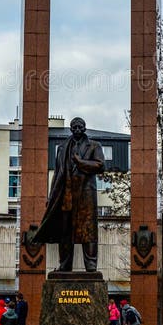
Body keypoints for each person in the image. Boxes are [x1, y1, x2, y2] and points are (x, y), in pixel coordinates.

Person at [32, 117, 105, 272]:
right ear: (71, 129)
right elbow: (58, 173)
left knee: (88, 231)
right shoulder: (63, 147)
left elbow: (100, 165)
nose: (77, 130)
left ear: (84, 128)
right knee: (65, 231)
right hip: (66, 193)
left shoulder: (94, 146)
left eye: (80, 127)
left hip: (86, 195)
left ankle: (91, 265)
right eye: (74, 127)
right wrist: (52, 196)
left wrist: (81, 163)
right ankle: (65, 264)